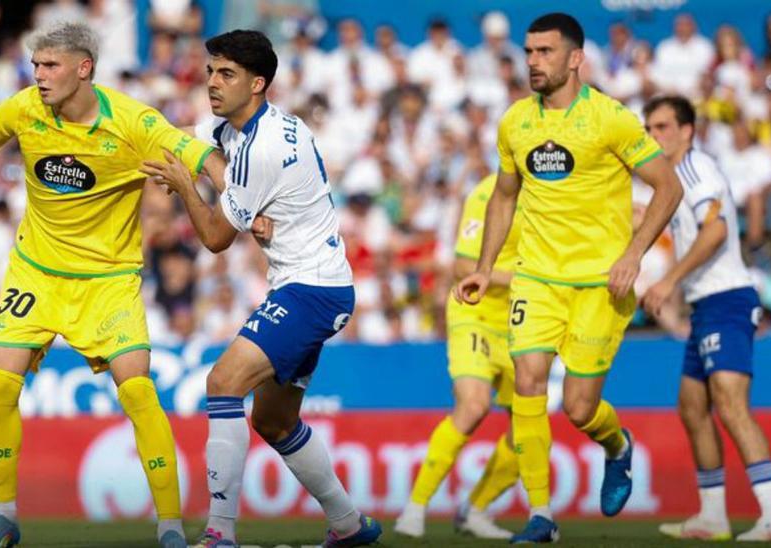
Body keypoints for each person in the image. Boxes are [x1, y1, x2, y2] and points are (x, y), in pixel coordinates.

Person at [0, 21, 220, 548]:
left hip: (107, 280)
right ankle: (4, 518)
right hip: (36, 272)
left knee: (138, 392)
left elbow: (200, 156)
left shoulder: (132, 122)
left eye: (50, 66)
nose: (38, 76)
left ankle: (170, 529)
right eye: (35, 65)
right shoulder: (25, 109)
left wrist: (244, 196)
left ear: (84, 69)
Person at [139, 29, 381, 548]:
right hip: (316, 285)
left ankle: (219, 534)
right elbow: (188, 138)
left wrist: (185, 185)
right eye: (209, 71)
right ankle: (349, 525)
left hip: (310, 290)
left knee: (223, 382)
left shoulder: (261, 148)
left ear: (257, 83)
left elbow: (214, 240)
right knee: (273, 420)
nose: (211, 83)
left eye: (225, 74)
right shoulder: (258, 127)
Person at [454, 13, 682, 543]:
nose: (533, 61)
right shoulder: (515, 121)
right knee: (529, 380)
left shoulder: (612, 119)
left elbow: (667, 186)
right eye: (529, 52)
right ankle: (542, 515)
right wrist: (487, 268)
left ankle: (617, 446)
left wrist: (633, 253)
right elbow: (505, 195)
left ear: (575, 58)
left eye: (545, 52)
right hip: (536, 278)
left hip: (602, 284)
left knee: (579, 409)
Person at [641, 95, 771, 541]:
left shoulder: (695, 170)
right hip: (705, 303)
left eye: (662, 127)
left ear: (687, 131)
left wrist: (668, 280)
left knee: (730, 405)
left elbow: (718, 229)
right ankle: (713, 516)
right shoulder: (672, 178)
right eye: (649, 128)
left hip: (726, 298)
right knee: (692, 409)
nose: (654, 136)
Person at [393, 174, 521, 540]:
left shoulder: (552, 190)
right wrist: (522, 277)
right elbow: (464, 266)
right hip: (475, 313)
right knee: (474, 405)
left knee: (527, 425)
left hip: (524, 322)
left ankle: (476, 510)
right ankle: (416, 507)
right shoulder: (487, 193)